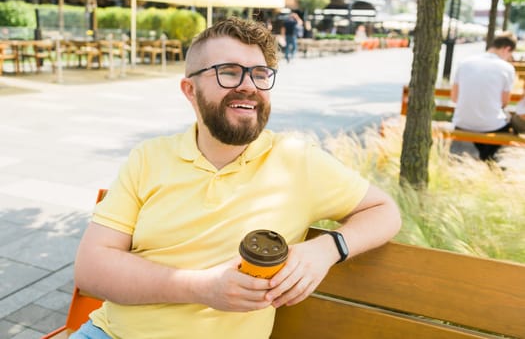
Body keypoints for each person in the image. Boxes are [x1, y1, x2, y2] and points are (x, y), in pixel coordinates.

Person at [71, 17, 402, 339]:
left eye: (260, 75)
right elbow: (92, 268)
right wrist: (204, 288)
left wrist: (327, 249)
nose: (249, 85)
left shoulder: (296, 161)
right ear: (190, 89)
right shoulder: (149, 157)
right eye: (229, 72)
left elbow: (384, 211)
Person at [451, 32, 517, 161]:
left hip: (461, 122)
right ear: (507, 49)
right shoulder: (507, 68)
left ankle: (480, 159)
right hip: (489, 125)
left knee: (487, 123)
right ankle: (487, 160)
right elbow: (504, 103)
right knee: (504, 125)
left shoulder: (464, 62)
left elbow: (454, 98)